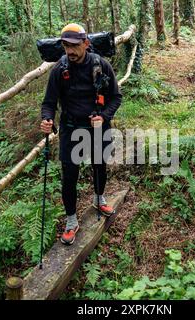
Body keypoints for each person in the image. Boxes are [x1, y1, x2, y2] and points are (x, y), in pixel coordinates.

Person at [40, 23, 122, 245]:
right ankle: (71, 221)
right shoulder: (60, 69)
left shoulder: (101, 65)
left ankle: (99, 198)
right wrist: (46, 119)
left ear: (86, 43)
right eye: (66, 45)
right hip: (70, 128)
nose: (70, 51)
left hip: (97, 126)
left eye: (74, 46)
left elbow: (116, 97)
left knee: (99, 166)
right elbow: (49, 103)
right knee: (69, 177)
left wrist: (103, 116)